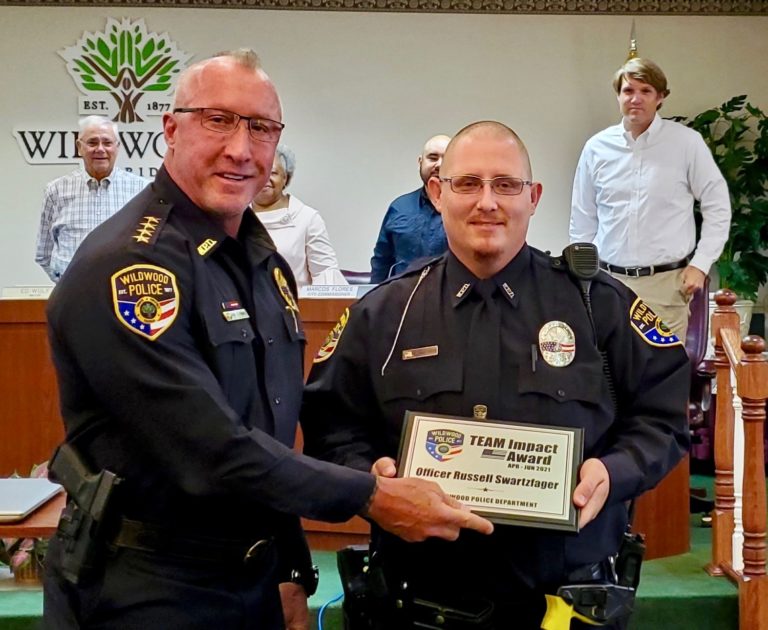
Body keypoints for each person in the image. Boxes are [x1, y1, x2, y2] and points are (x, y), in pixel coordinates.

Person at [43, 50, 492, 630]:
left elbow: (269, 434)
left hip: (247, 580)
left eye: (261, 128)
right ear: (171, 131)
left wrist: (290, 572)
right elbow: (214, 450)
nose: (241, 148)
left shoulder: (261, 263)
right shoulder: (130, 267)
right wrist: (370, 496)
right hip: (145, 586)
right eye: (218, 120)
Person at [302, 121, 690, 629]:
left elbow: (662, 417)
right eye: (468, 184)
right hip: (416, 602)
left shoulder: (599, 305)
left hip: (566, 606)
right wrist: (371, 481)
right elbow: (331, 424)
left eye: (506, 185)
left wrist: (614, 471)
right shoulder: (385, 313)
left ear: (533, 197)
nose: (488, 201)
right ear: (438, 193)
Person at [570, 57, 731, 340]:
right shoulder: (596, 148)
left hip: (665, 286)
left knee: (663, 377)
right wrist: (584, 277)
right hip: (609, 283)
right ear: (618, 96)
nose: (636, 99)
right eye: (628, 90)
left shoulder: (685, 143)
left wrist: (700, 263)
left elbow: (718, 205)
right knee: (608, 376)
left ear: (660, 98)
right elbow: (583, 218)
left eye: (645, 91)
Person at [34, 115, 149, 282]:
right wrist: (66, 283)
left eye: (107, 143)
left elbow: (149, 248)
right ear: (80, 147)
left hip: (123, 296)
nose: (100, 149)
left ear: (117, 147)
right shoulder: (56, 191)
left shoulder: (142, 190)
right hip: (73, 295)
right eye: (92, 143)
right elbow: (43, 254)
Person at [253, 144, 347, 288]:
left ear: (285, 177)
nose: (265, 178)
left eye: (272, 173)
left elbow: (325, 272)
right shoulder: (233, 216)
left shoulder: (307, 218)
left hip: (296, 307)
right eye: (258, 172)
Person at [370, 134, 451, 282]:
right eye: (433, 158)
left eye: (446, 159)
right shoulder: (399, 207)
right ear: (420, 162)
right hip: (403, 300)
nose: (439, 164)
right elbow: (382, 261)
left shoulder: (467, 209)